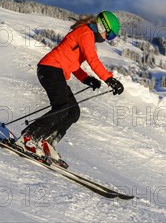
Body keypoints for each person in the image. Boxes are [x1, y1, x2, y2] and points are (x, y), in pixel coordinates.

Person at [17, 11, 124, 167]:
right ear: (102, 27)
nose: (108, 39)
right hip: (50, 69)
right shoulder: (85, 33)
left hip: (55, 70)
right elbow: (93, 60)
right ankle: (28, 137)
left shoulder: (85, 34)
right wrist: (109, 79)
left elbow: (73, 64)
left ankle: (47, 141)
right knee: (61, 107)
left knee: (73, 112)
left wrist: (86, 79)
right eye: (110, 35)